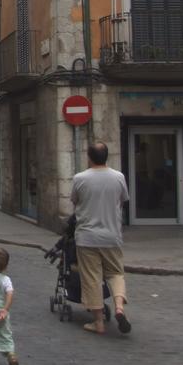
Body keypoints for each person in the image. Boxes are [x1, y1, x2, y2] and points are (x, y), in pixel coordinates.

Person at [70, 140, 131, 336]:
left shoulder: (80, 178)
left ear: (89, 158)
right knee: (115, 273)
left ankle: (98, 322)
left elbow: (75, 202)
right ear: (107, 157)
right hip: (112, 235)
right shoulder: (118, 177)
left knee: (92, 278)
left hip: (87, 236)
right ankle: (120, 307)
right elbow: (123, 200)